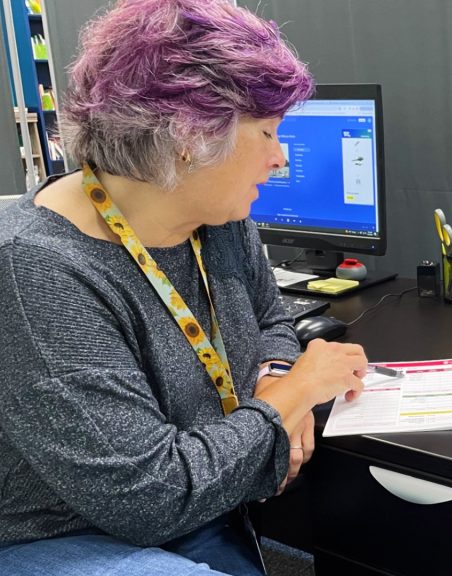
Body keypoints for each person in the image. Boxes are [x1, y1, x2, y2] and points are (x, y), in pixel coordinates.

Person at [0, 1, 368, 574]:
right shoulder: (36, 271)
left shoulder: (216, 215)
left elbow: (271, 318)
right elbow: (147, 497)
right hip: (67, 531)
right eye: (268, 132)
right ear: (188, 139)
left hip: (201, 499)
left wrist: (274, 375)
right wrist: (295, 394)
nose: (278, 158)